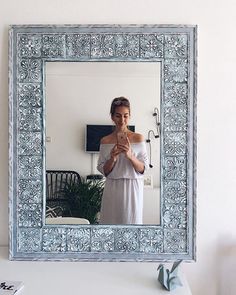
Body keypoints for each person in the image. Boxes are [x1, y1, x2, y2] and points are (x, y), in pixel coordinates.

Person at [97, 97, 149, 224]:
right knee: (110, 224)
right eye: (118, 116)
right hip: (112, 188)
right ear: (112, 117)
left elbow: (143, 168)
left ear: (130, 116)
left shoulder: (139, 138)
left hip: (133, 188)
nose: (122, 120)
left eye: (126, 116)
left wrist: (130, 156)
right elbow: (104, 171)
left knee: (132, 223)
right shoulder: (105, 141)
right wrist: (112, 158)